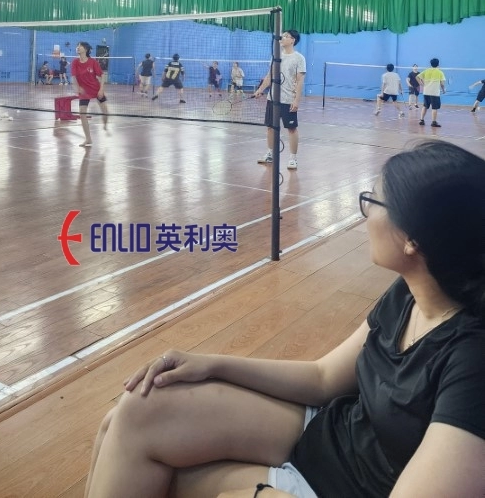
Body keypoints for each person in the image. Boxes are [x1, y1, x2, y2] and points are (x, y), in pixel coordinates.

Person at [84, 140, 485, 498]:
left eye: (374, 202)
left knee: (137, 452)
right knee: (134, 413)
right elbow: (323, 378)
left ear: (413, 240)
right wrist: (212, 364)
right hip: (330, 438)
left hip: (342, 487)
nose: (365, 213)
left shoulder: (473, 363)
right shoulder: (410, 293)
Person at [254, 30, 305, 171]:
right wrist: (260, 89)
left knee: (292, 129)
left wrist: (296, 101)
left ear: (293, 40)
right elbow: (269, 76)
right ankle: (270, 154)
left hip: (288, 100)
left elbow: (300, 81)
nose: (282, 37)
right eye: (282, 35)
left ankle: (293, 158)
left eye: (286, 36)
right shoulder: (276, 56)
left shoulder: (299, 58)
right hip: (272, 98)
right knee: (270, 127)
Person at [71, 41, 108, 148]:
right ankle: (88, 138)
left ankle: (105, 124)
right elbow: (73, 77)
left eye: (80, 46)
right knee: (82, 113)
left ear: (86, 49)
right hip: (84, 91)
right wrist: (77, 87)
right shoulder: (75, 62)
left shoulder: (93, 62)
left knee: (105, 112)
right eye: (77, 46)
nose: (78, 47)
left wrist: (101, 89)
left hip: (96, 89)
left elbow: (102, 75)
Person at [418, 58, 446, 128]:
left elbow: (417, 77)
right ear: (438, 64)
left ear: (430, 64)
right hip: (434, 93)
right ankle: (434, 122)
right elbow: (442, 84)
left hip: (426, 92)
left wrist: (422, 84)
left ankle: (421, 120)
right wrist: (443, 90)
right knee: (434, 108)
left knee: (425, 106)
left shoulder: (426, 71)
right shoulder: (440, 72)